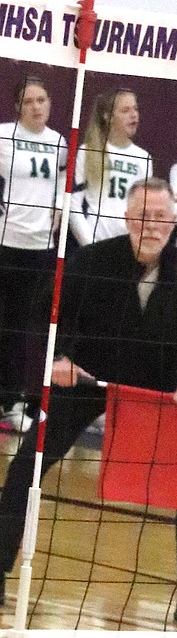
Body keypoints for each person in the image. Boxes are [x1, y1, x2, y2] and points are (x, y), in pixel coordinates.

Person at [0, 178, 177, 626]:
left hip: (159, 390)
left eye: (159, 217)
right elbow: (42, 316)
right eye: (141, 216)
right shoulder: (92, 261)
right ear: (126, 217)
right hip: (88, 378)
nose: (150, 226)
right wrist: (57, 358)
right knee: (27, 465)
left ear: (174, 220)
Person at [0, 74, 67, 433]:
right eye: (29, 101)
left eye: (42, 100)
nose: (36, 107)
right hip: (4, 242)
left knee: (24, 328)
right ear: (17, 107)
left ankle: (12, 402)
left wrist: (57, 210)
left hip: (40, 247)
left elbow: (61, 185)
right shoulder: (4, 136)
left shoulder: (59, 142)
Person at [70, 88, 152, 246]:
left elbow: (144, 209)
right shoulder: (88, 150)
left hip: (127, 245)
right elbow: (74, 204)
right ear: (108, 117)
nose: (134, 114)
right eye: (125, 110)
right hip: (93, 239)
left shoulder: (143, 158)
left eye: (135, 109)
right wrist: (89, 245)